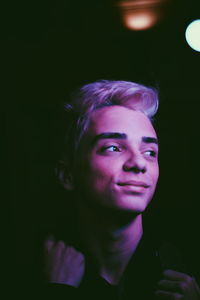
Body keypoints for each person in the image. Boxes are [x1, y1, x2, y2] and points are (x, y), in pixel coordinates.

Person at [42, 80, 200, 300]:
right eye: (113, 148)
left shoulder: (187, 267)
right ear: (67, 175)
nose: (139, 163)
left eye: (149, 152)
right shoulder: (28, 269)